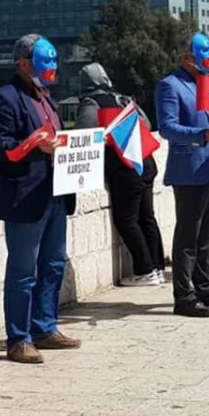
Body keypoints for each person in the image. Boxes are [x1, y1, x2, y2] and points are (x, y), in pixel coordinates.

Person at [0, 34, 82, 364]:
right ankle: (18, 338)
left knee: (53, 264)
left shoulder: (48, 99)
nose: (52, 67)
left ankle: (44, 327)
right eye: (45, 61)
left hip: (55, 194)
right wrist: (34, 145)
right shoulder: (4, 97)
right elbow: (0, 148)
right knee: (24, 271)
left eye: (54, 61)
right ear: (24, 63)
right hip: (25, 197)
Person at [156, 32, 209, 319]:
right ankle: (184, 295)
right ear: (186, 57)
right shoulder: (170, 85)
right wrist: (202, 135)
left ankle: (204, 285)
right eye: (204, 54)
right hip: (189, 169)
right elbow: (167, 128)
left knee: (208, 233)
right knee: (188, 235)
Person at [75, 62, 165, 286]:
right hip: (144, 162)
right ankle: (157, 268)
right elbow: (146, 123)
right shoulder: (124, 99)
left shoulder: (92, 102)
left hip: (123, 167)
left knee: (126, 220)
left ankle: (144, 270)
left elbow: (84, 132)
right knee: (147, 217)